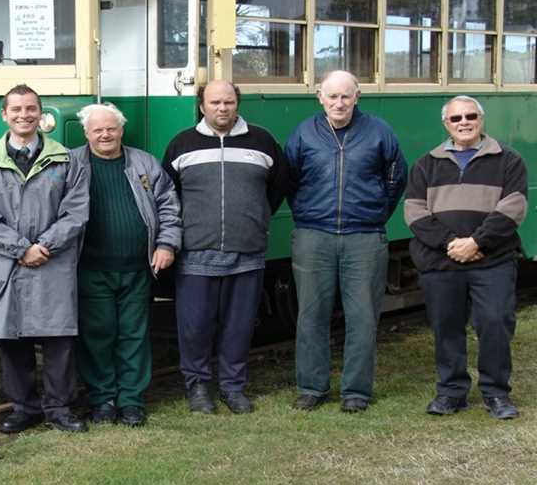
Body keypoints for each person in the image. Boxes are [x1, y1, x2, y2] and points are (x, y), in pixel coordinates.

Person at [162, 79, 289, 415]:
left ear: (237, 103)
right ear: (202, 105)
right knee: (195, 327)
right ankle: (198, 388)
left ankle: (233, 387)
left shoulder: (262, 142)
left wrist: (256, 217)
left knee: (239, 326)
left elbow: (277, 189)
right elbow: (168, 197)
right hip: (195, 254)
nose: (222, 108)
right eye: (215, 102)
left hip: (247, 253)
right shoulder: (181, 145)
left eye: (229, 102)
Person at [0, 84, 89, 433]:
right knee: (13, 339)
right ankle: (23, 407)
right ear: (4, 115)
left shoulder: (67, 160)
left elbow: (76, 213)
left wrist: (45, 245)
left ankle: (60, 407)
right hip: (7, 265)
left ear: (41, 114)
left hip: (54, 261)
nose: (24, 115)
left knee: (58, 339)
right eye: (17, 109)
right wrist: (21, 249)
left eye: (31, 108)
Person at [285, 70, 406, 413]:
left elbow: (396, 177)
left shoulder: (379, 132)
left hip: (364, 236)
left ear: (357, 98)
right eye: (332, 96)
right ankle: (312, 387)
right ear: (319, 97)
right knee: (311, 314)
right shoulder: (304, 134)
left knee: (363, 316)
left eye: (346, 96)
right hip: (314, 235)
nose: (339, 103)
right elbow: (290, 179)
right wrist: (309, 213)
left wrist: (373, 214)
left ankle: (356, 391)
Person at [405, 96, 527, 420]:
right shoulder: (426, 164)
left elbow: (513, 208)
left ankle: (496, 393)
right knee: (446, 327)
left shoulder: (508, 160)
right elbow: (414, 212)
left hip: (493, 259)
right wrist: (451, 244)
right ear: (446, 124)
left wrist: (476, 242)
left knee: (496, 322)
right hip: (441, 263)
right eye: (456, 118)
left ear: (481, 119)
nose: (463, 122)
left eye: (470, 116)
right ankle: (451, 392)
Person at [71, 103, 181, 426]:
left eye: (111, 129)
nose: (105, 135)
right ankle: (102, 399)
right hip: (90, 267)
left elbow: (169, 206)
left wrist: (166, 243)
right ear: (86, 133)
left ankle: (132, 401)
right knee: (97, 335)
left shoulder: (144, 162)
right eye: (98, 130)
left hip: (137, 267)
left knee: (134, 334)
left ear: (121, 130)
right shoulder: (71, 163)